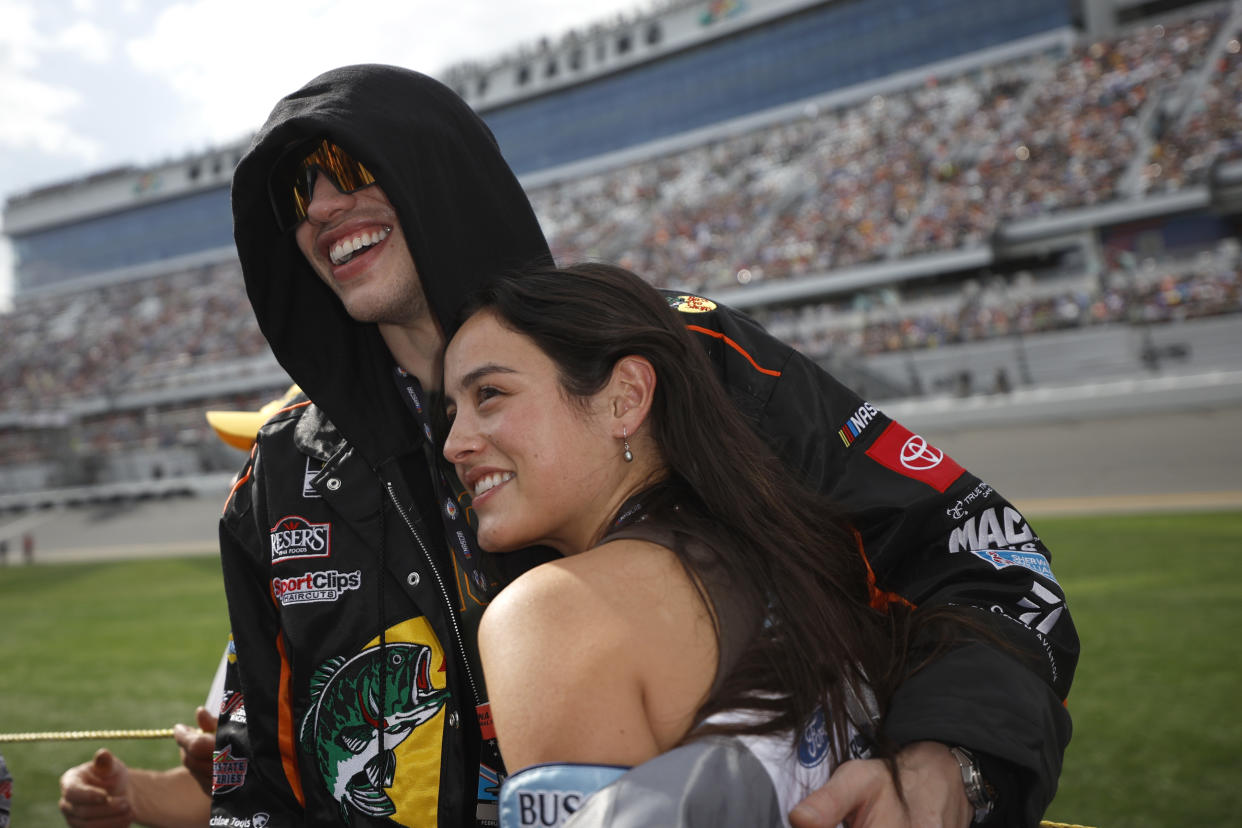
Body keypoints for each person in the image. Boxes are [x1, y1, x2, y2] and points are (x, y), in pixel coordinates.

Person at [215, 64, 1076, 828]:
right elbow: (260, 770)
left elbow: (986, 558)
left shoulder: (684, 352)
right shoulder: (280, 471)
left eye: (353, 170)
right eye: (298, 196)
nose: (324, 208)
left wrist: (947, 766)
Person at [440, 263, 973, 826]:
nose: (454, 444)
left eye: (490, 394)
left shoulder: (550, 613)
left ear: (625, 398)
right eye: (451, 412)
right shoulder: (788, 554)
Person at [57, 388, 303, 828]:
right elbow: (199, 797)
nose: (246, 482)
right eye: (252, 461)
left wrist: (255, 773)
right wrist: (120, 791)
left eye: (272, 459)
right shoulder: (265, 615)